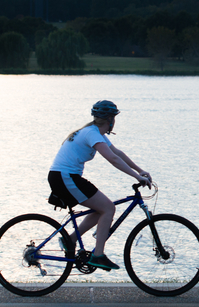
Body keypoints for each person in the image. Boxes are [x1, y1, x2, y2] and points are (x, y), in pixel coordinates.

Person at [48, 100, 152, 271]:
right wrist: (136, 177)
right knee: (108, 208)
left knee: (102, 208)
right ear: (111, 120)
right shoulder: (92, 134)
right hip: (65, 177)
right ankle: (98, 255)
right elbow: (113, 159)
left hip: (64, 176)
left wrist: (140, 171)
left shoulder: (95, 133)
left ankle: (70, 240)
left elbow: (117, 153)